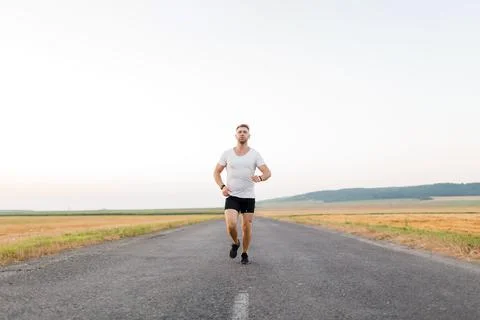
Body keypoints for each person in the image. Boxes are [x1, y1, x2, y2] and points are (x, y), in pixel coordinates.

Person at [213, 124, 271, 264]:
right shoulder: (227, 154)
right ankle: (235, 242)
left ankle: (244, 253)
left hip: (248, 197)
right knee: (231, 225)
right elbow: (216, 172)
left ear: (248, 136)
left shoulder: (254, 154)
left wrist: (260, 177)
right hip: (232, 195)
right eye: (240, 132)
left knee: (246, 227)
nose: (242, 134)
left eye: (245, 132)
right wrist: (222, 186)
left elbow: (267, 172)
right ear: (236, 135)